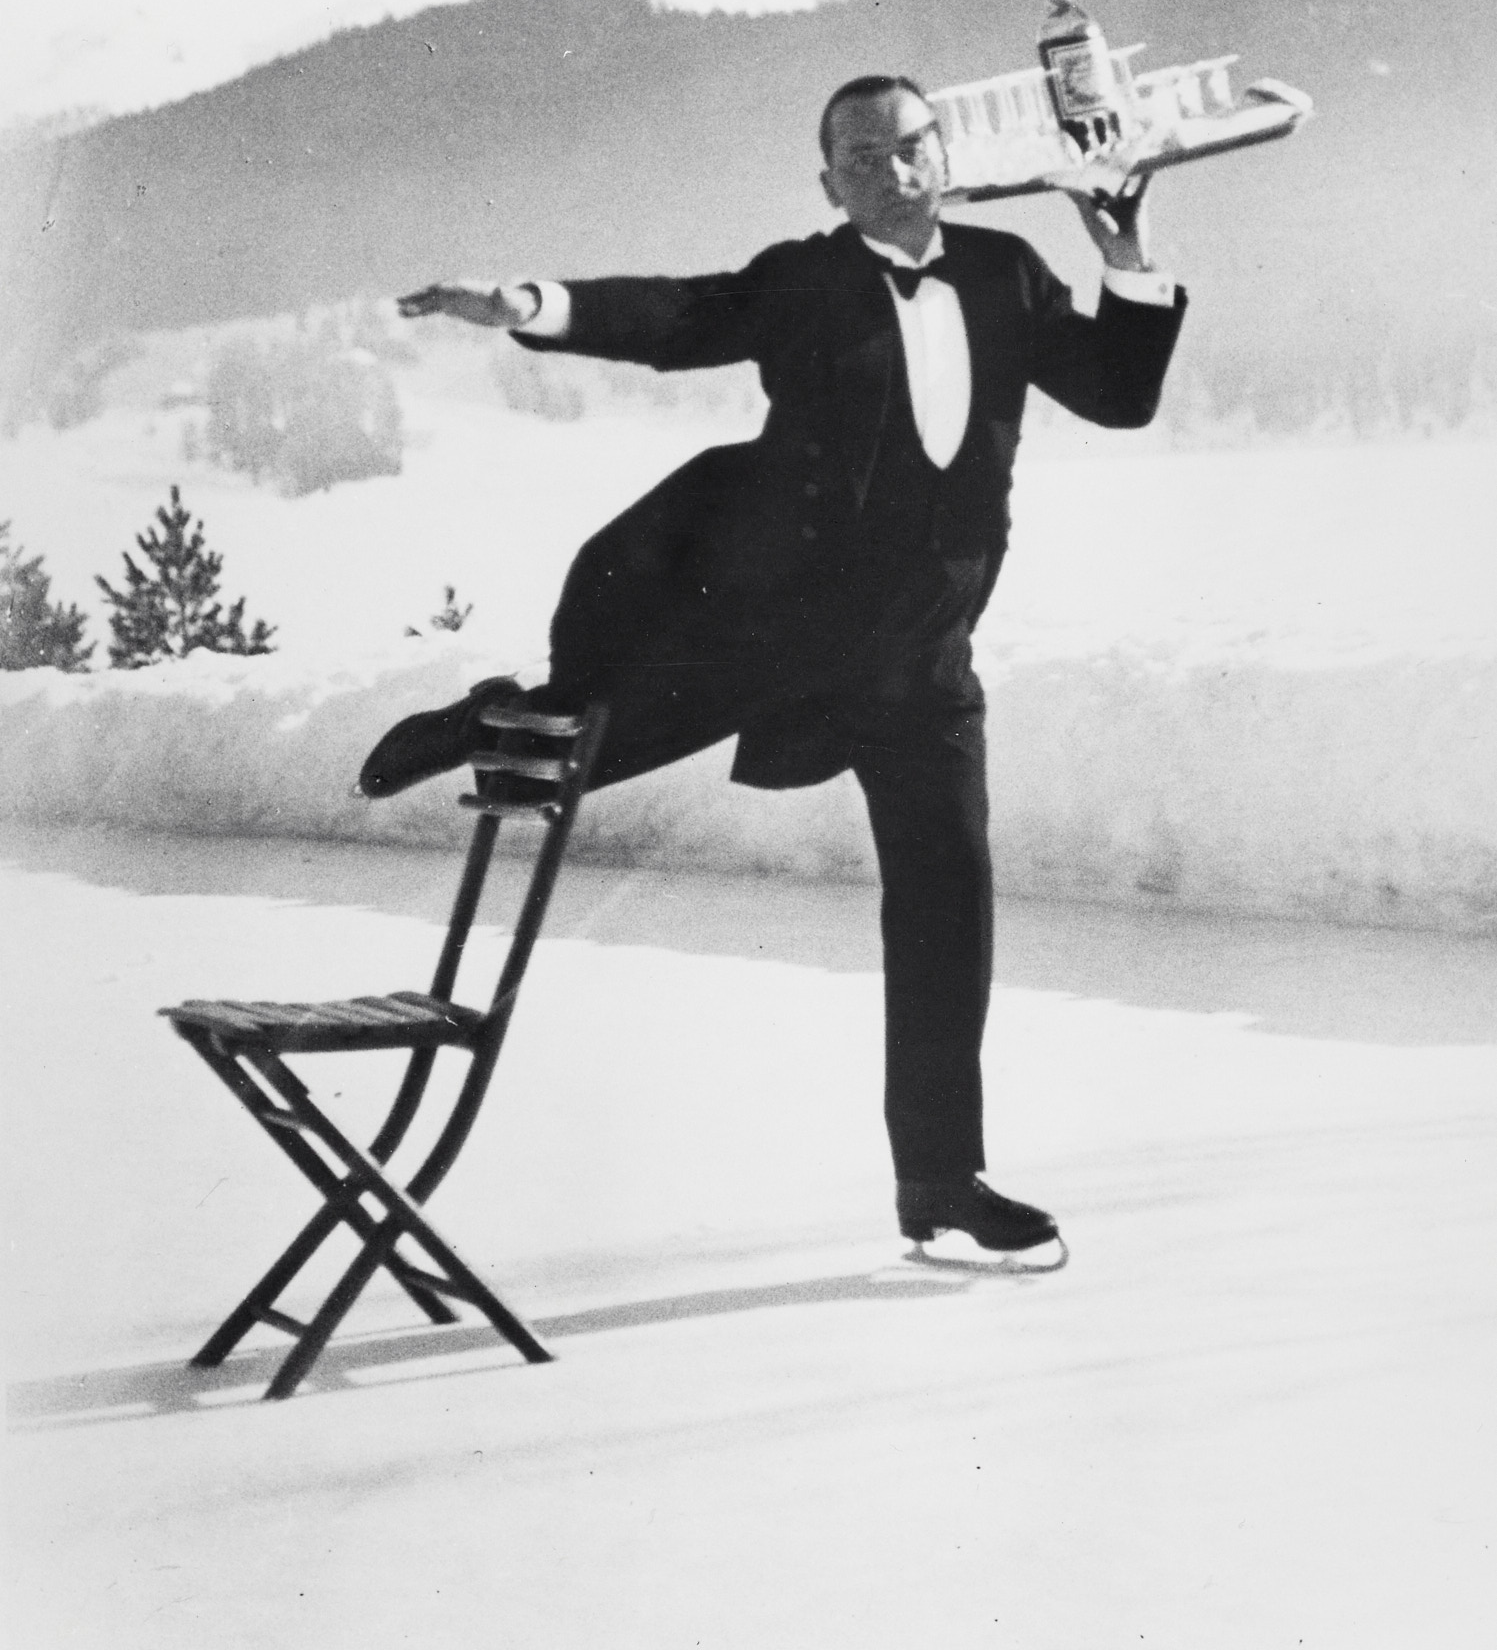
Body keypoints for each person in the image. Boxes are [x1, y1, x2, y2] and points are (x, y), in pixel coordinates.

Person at [363, 74, 1186, 1261]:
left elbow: (1120, 396)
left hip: (926, 660)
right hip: (781, 632)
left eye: (909, 147)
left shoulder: (1008, 272)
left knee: (949, 906)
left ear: (943, 151)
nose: (893, 173)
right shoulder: (806, 281)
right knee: (584, 743)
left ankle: (942, 1181)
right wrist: (533, 304)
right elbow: (683, 317)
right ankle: (487, 716)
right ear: (830, 185)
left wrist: (1129, 257)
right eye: (862, 159)